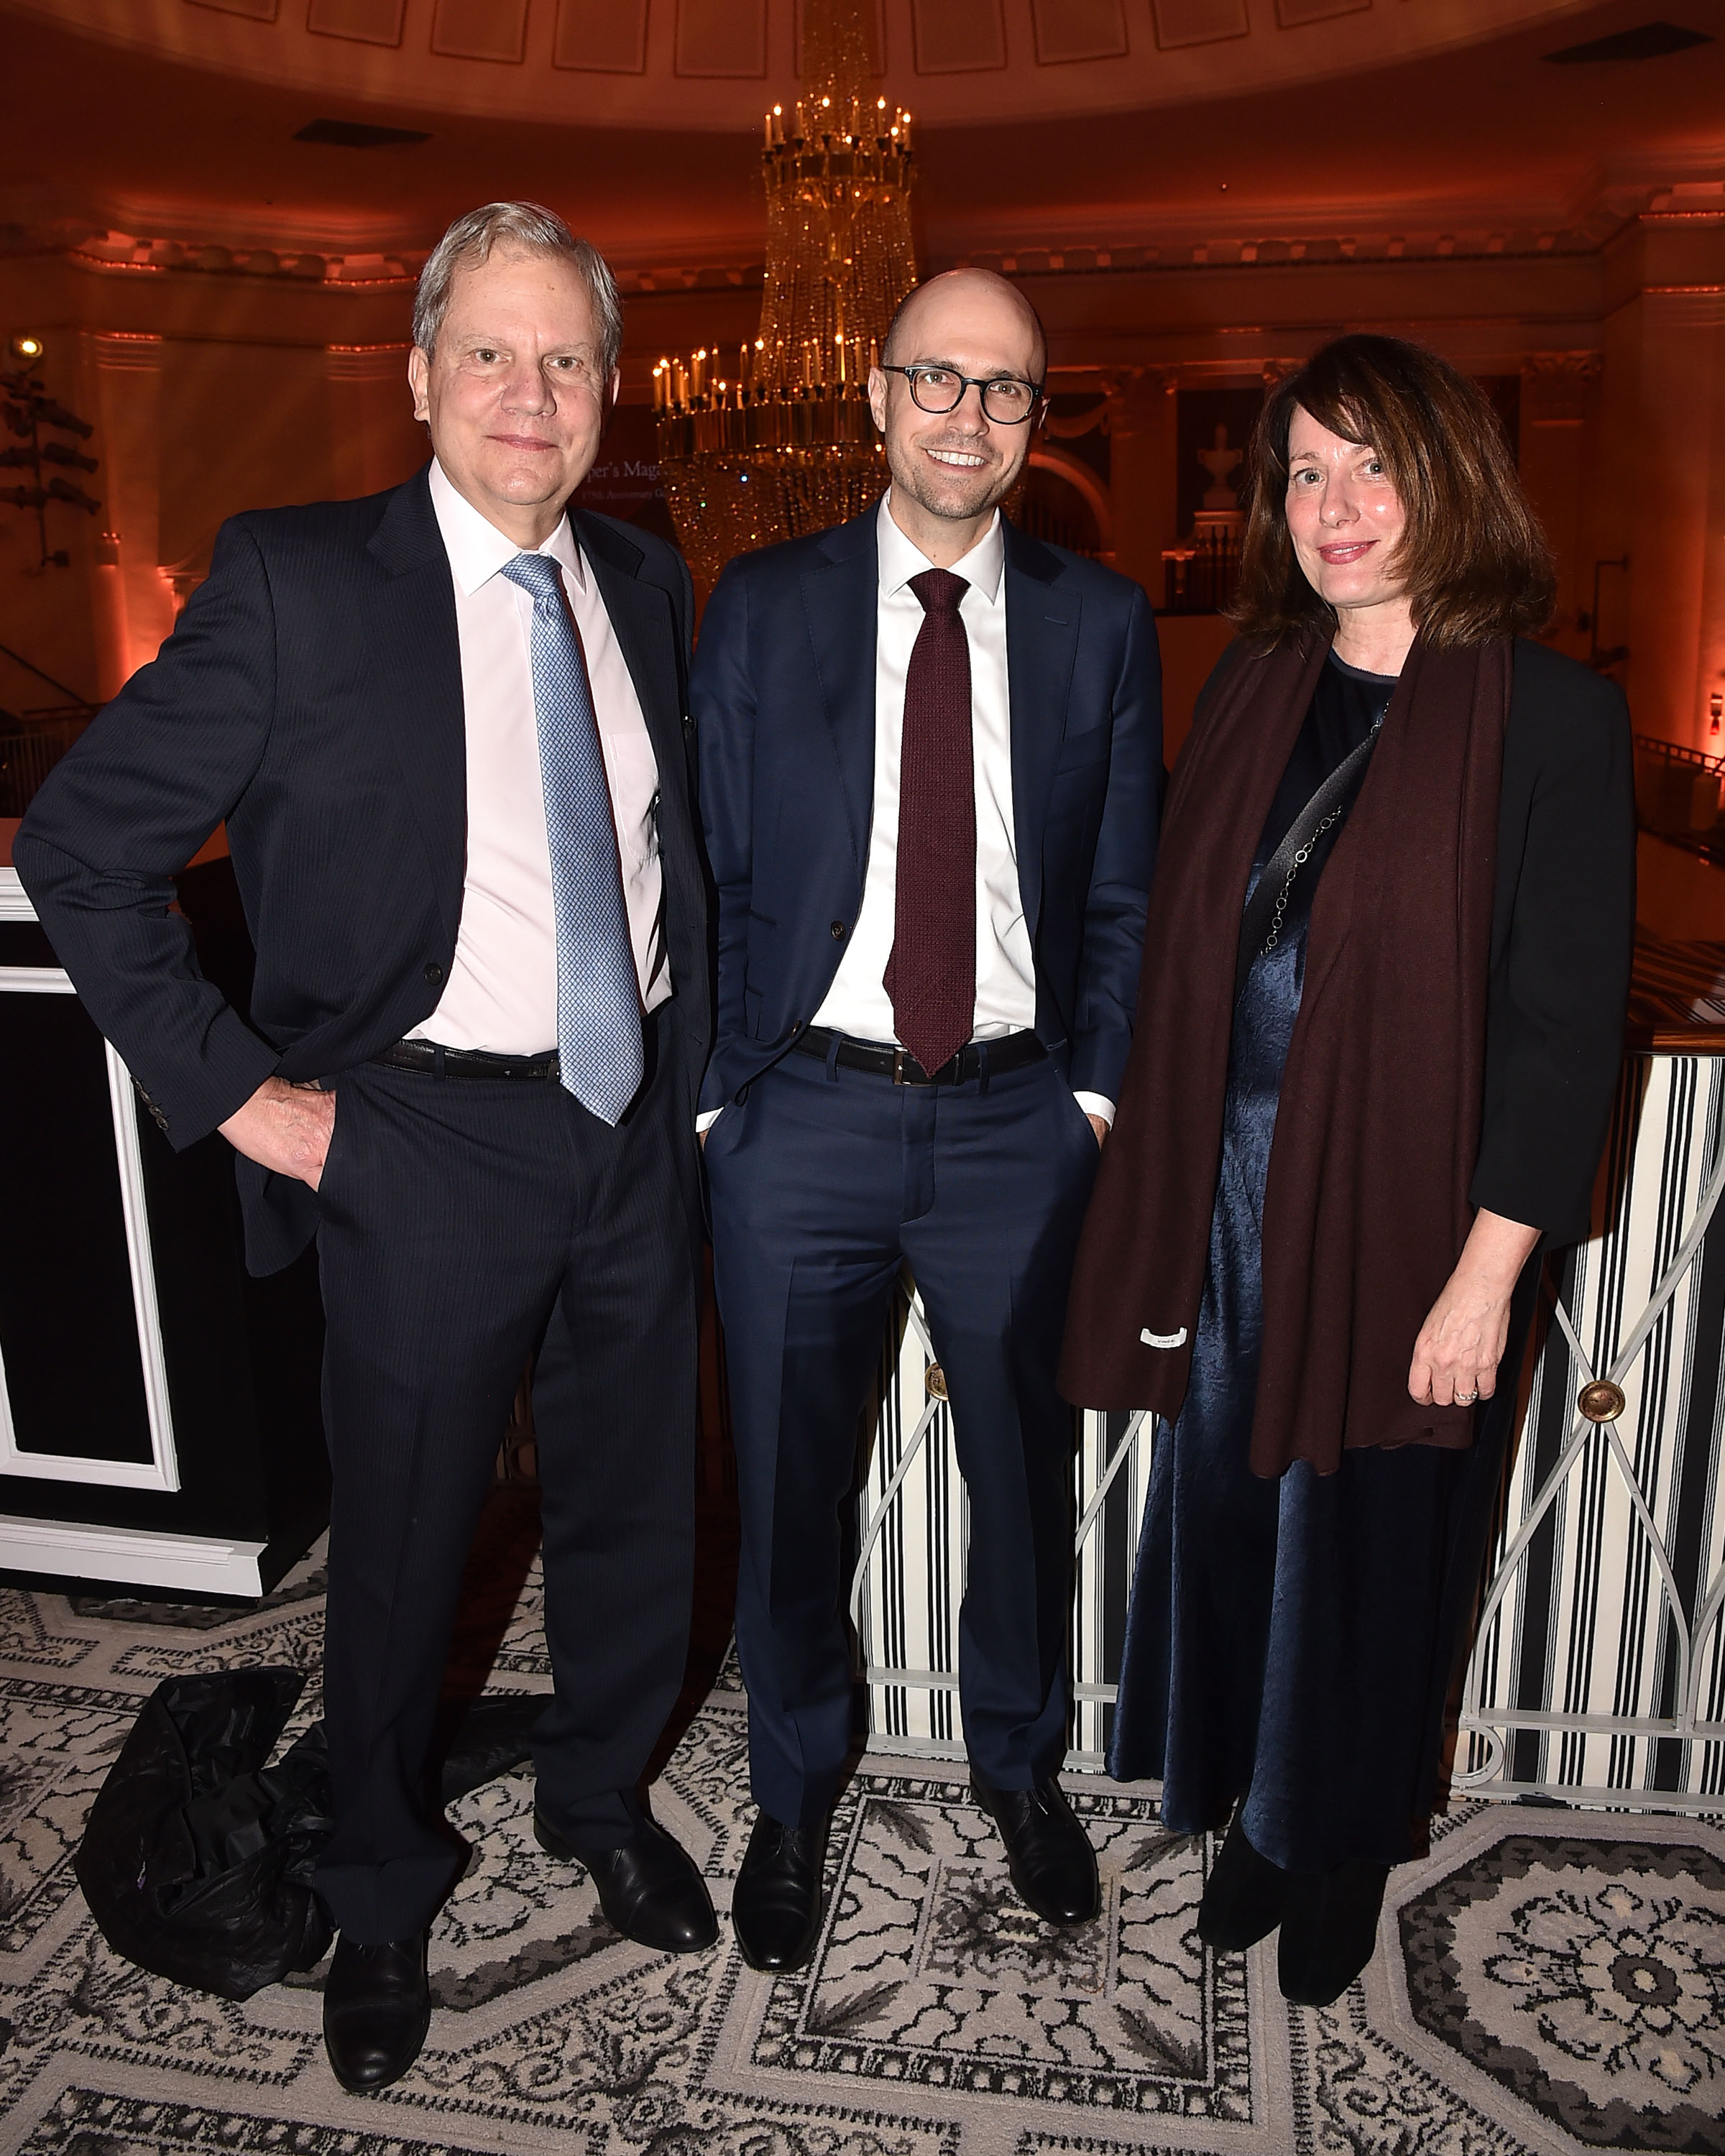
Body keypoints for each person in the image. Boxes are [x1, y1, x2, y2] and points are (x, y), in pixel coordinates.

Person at [15, 203, 716, 2092]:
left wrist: (694, 1079)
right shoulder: (297, 581)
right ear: (415, 377)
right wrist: (242, 1093)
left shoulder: (643, 584)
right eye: (486, 351)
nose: (527, 393)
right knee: (407, 1550)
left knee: (641, 1511)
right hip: (419, 1143)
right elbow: (80, 854)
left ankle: (599, 1802)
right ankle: (388, 1891)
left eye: (565, 358)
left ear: (608, 390)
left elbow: (670, 867)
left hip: (631, 1127)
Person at [1059, 333, 1636, 2008]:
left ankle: (1344, 1843)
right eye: (1304, 471)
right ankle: (1256, 1813)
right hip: (1236, 1202)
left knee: (1378, 1550)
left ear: (1452, 477)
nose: (1336, 505)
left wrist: (1487, 1274)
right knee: (1245, 1528)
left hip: (1414, 1220)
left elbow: (1560, 1027)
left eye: (1372, 463)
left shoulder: (1553, 717)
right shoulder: (1248, 681)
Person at [693, 268, 1162, 1971]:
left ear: (1040, 421)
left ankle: (1018, 1770)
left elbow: (1124, 891)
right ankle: (794, 1791)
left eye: (1010, 388)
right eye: (939, 380)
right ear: (879, 400)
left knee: (1022, 1481)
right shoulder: (760, 603)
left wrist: (1093, 1099)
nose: (970, 414)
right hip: (800, 1117)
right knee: (791, 1485)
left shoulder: (1102, 623)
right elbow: (711, 866)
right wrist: (719, 1110)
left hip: (1016, 1126)